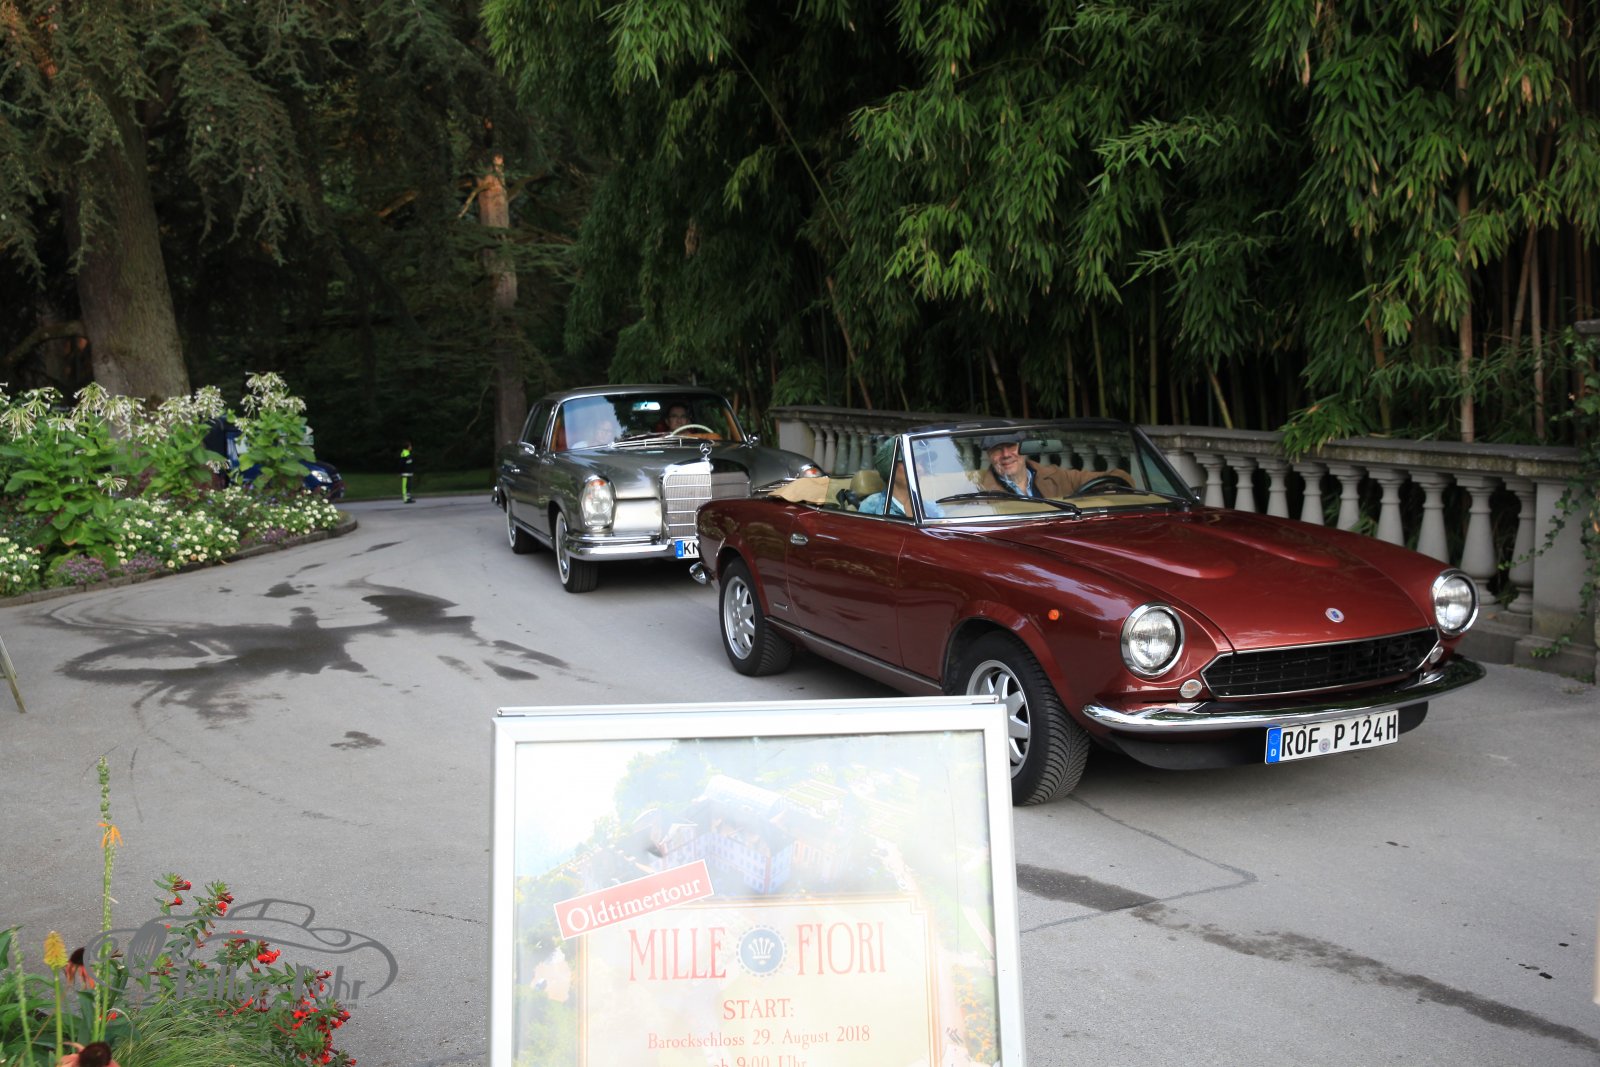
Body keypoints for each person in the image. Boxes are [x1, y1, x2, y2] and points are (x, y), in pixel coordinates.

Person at [975, 431, 1128, 497]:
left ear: (1026, 448)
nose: (1006, 455)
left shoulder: (1057, 476)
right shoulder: (979, 490)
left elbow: (1119, 477)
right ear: (989, 455)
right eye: (997, 449)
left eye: (1011, 446)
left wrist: (1107, 493)